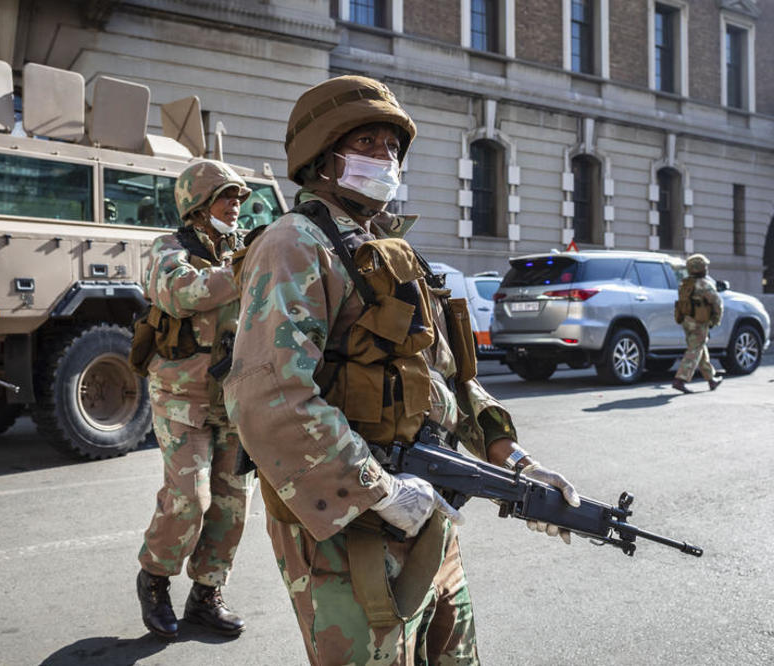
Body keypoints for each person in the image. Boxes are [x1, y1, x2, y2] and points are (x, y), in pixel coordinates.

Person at [223, 76, 581, 665]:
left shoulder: (390, 251)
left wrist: (513, 460)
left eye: (392, 147)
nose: (386, 158)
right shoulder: (295, 243)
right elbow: (269, 395)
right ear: (322, 156)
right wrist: (379, 490)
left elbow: (440, 378)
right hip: (348, 523)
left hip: (427, 512)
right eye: (367, 142)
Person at [132, 160, 256, 640]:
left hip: (231, 396)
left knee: (231, 503)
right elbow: (179, 293)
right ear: (199, 206)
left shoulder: (243, 250)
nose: (236, 206)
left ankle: (207, 593)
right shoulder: (170, 248)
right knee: (190, 498)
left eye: (240, 198)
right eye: (227, 197)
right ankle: (155, 579)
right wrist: (243, 271)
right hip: (180, 396)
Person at [672, 253, 723, 393]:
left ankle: (711, 379)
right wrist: (715, 320)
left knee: (699, 347)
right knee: (695, 349)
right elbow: (717, 303)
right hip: (699, 322)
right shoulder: (705, 284)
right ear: (700, 268)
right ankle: (680, 379)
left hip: (686, 321)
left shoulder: (685, 283)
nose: (707, 268)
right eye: (705, 266)